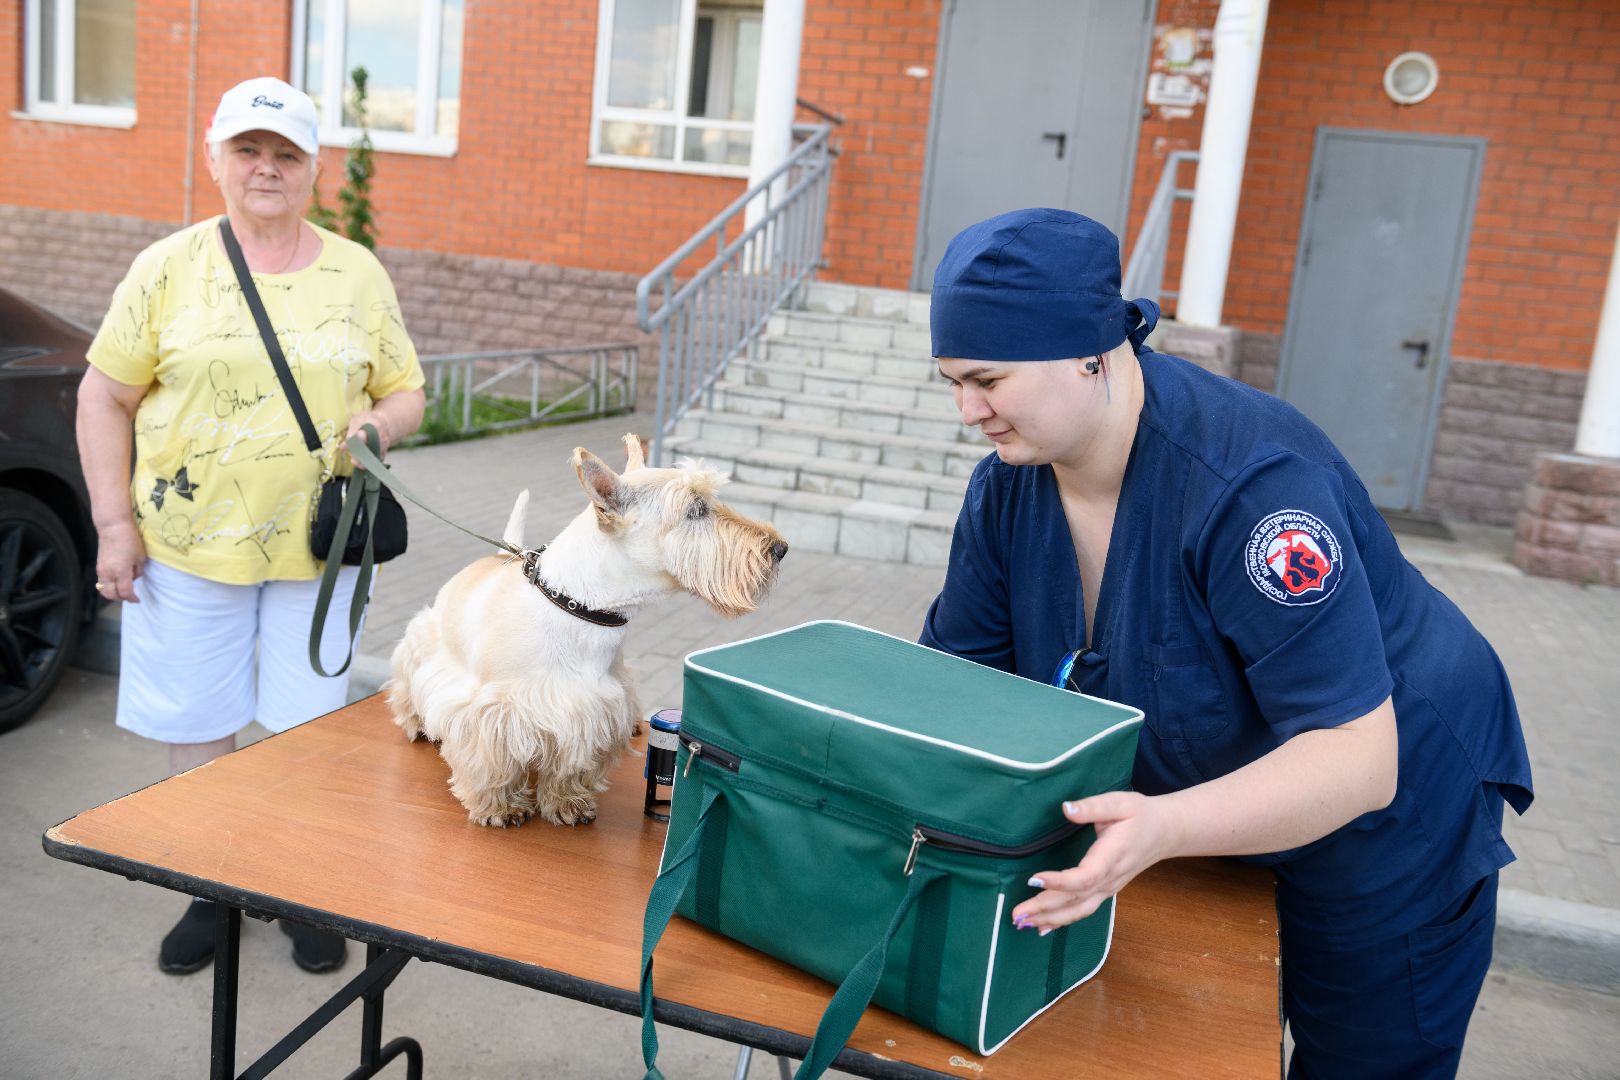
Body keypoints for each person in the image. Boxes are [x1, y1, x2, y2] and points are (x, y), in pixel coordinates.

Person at [919, 208, 1532, 1079]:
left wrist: (1166, 824)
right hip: (1191, 807)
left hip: (1392, 813)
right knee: (1173, 1040)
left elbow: (1357, 758)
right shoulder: (1007, 491)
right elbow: (957, 691)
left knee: (1360, 1057)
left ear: (1091, 352)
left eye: (987, 379)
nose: (966, 410)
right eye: (949, 380)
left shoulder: (1254, 490)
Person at [76, 77, 426, 977]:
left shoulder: (357, 272)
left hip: (321, 552)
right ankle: (211, 886)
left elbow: (407, 391)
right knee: (200, 726)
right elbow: (105, 397)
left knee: (303, 731)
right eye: (248, 151)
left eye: (286, 154)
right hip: (186, 549)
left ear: (314, 168)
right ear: (215, 159)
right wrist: (113, 524)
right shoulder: (167, 268)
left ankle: (290, 883)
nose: (266, 168)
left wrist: (377, 428)